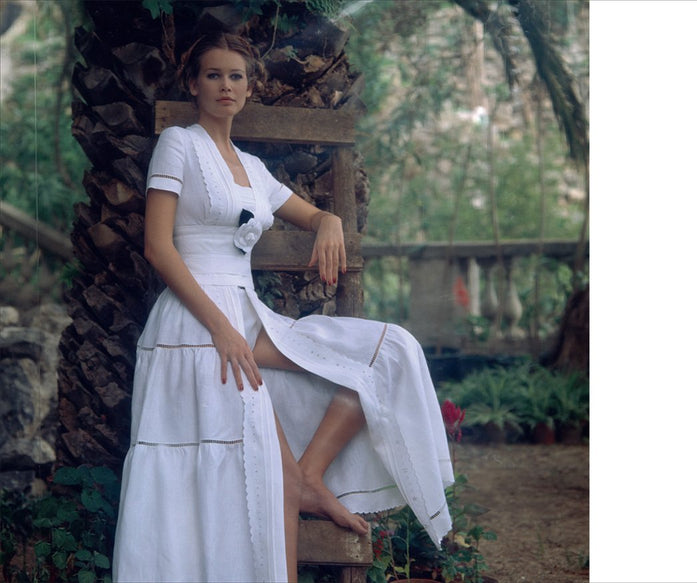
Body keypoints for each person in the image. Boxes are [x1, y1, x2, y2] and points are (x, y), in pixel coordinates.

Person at [112, 31, 454, 583]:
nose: (226, 86)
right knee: (249, 473)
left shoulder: (251, 167)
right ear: (194, 84)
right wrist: (221, 329)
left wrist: (331, 221)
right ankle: (292, 490)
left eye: (237, 76)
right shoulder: (180, 143)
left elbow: (313, 215)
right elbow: (158, 247)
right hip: (195, 323)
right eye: (214, 75)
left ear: (249, 87)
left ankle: (308, 479)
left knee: (382, 353)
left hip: (247, 315)